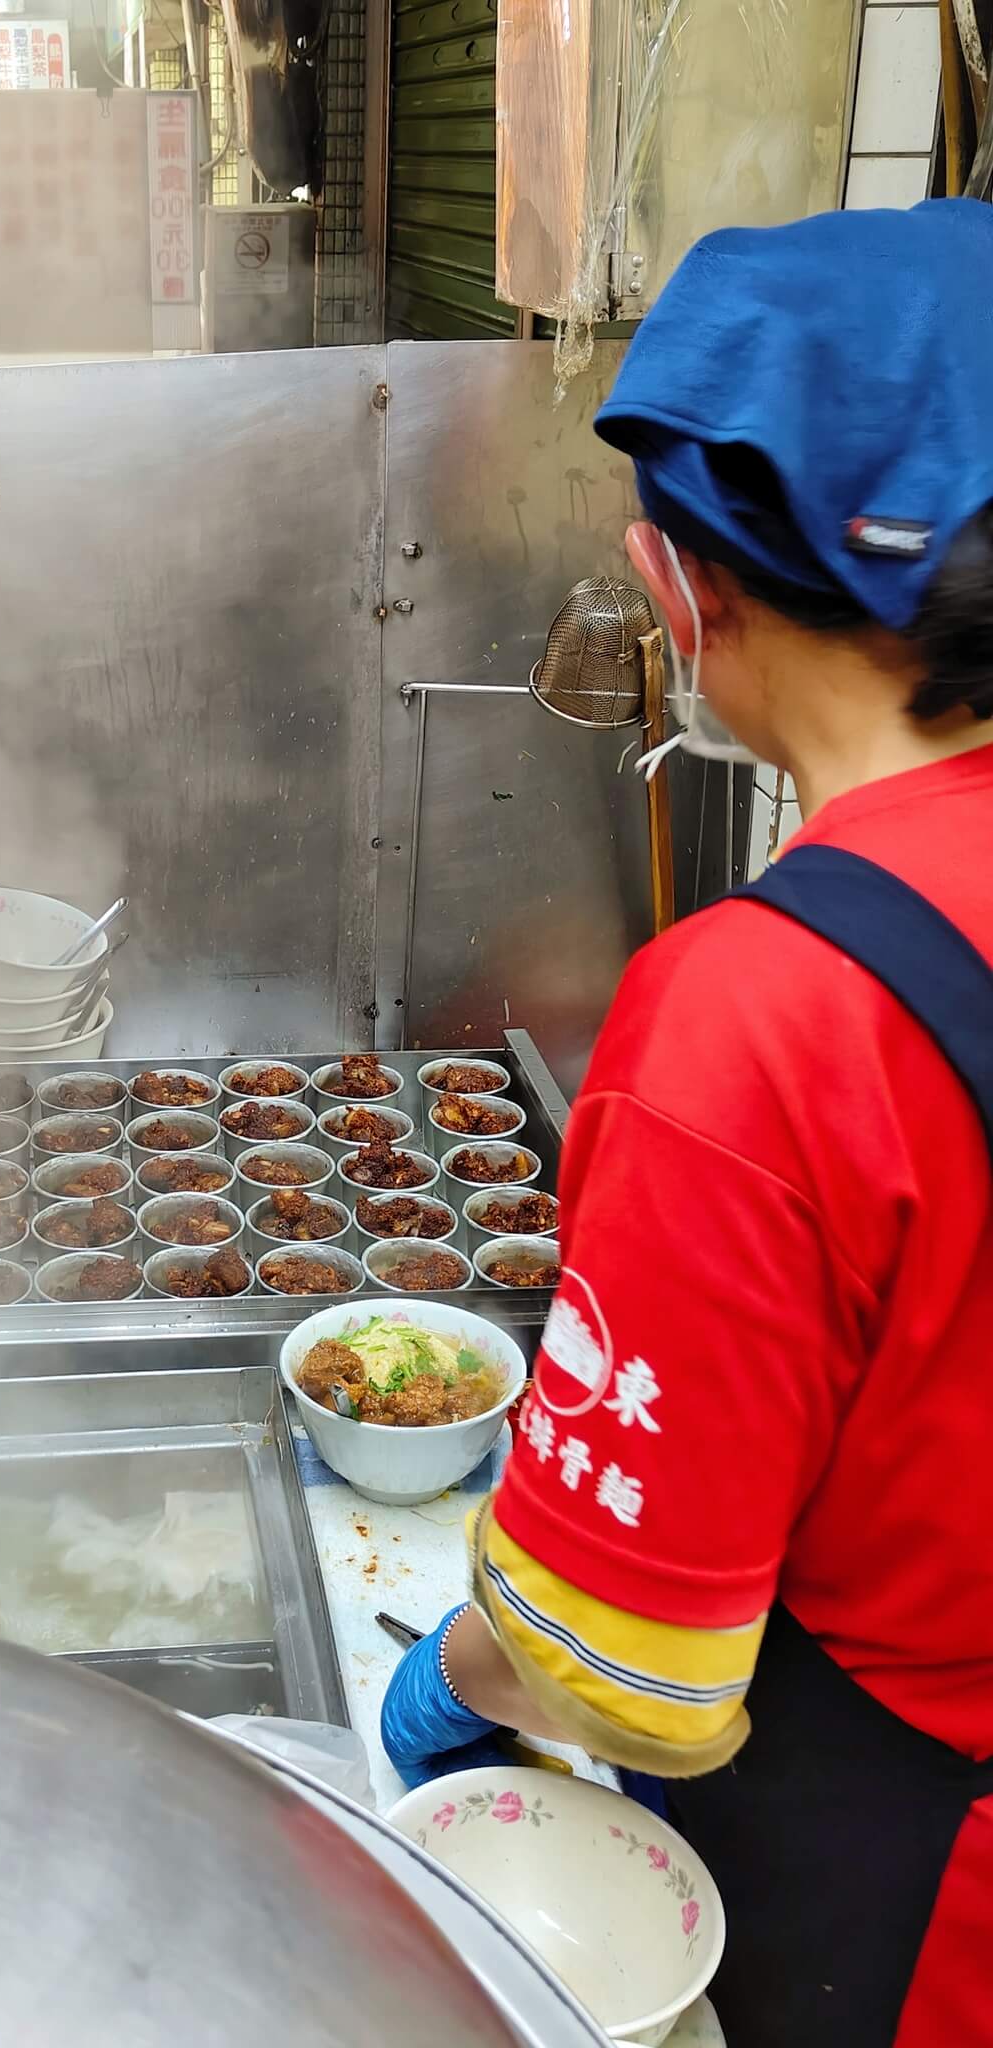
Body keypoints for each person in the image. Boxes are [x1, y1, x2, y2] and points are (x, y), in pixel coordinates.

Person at [382, 198, 993, 2046]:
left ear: (683, 591)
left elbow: (628, 1668)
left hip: (908, 1889)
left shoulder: (773, 1007)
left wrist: (463, 1676)